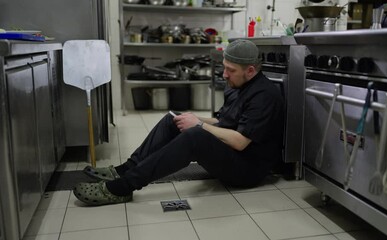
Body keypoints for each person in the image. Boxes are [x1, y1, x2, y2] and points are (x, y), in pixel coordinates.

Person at [73, 39, 285, 206]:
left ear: (250, 71)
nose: (225, 74)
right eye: (224, 67)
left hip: (247, 169)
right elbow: (223, 121)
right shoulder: (237, 85)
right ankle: (124, 169)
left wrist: (198, 125)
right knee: (173, 118)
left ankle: (122, 188)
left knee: (195, 136)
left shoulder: (264, 96)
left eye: (231, 70)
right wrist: (193, 117)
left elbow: (240, 142)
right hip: (231, 154)